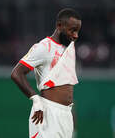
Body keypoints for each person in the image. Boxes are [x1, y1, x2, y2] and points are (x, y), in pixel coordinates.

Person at [11, 8, 82, 138]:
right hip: (48, 113)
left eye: (77, 31)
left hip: (66, 115)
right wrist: (35, 98)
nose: (76, 35)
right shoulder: (44, 47)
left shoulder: (70, 46)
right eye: (72, 30)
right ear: (59, 26)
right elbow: (16, 73)